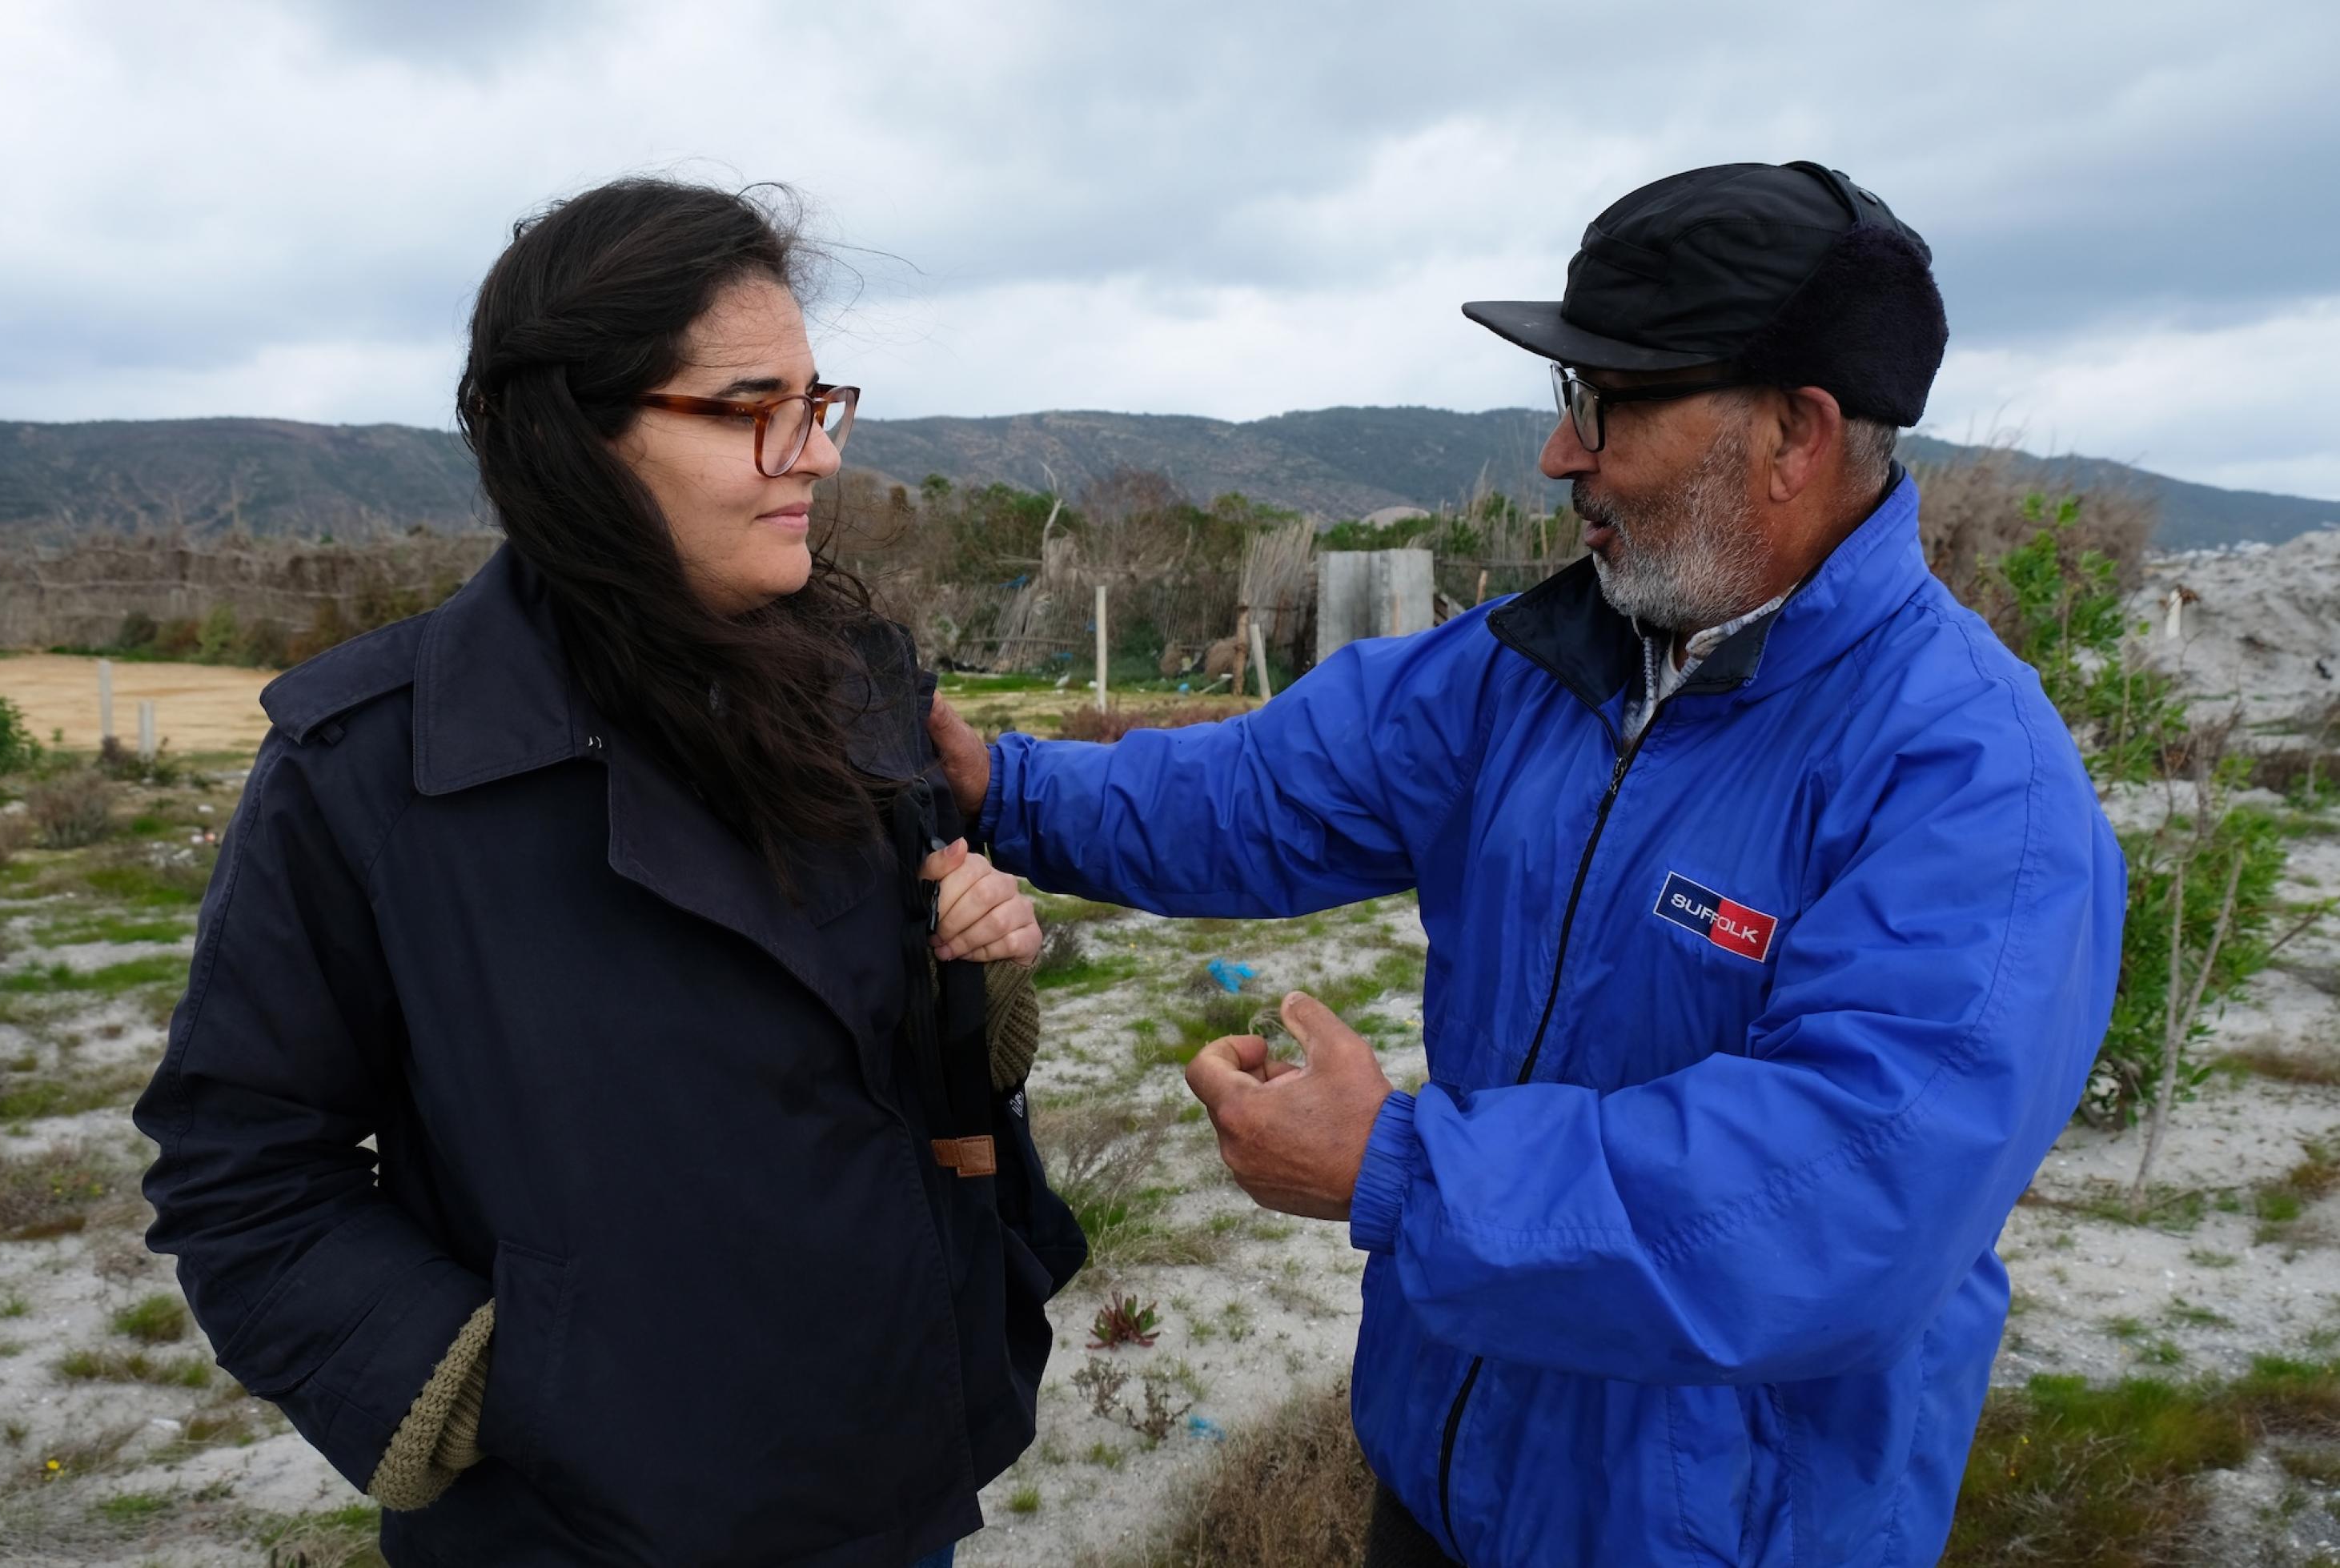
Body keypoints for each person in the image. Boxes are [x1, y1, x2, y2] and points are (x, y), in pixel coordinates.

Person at [925, 162, 2124, 1566]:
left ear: (1794, 433)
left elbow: (1844, 1197)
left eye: (1605, 405)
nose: (1564, 457)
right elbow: (1261, 790)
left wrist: (1401, 1171)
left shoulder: (1974, 781)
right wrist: (997, 786)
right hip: (1445, 1490)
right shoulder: (1541, 668)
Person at [135, 177, 1083, 1568]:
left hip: (888, 1466)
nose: (814, 455)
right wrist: (483, 1391)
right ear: (578, 436)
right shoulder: (373, 767)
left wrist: (970, 990)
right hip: (586, 1523)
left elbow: (860, 1061)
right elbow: (241, 1171)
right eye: (754, 408)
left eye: (820, 404)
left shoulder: (852, 686)